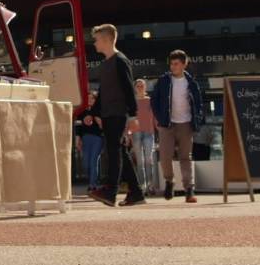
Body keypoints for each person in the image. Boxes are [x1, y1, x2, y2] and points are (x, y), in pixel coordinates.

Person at [86, 24, 145, 208]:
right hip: (108, 114)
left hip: (118, 114)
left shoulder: (120, 61)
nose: (94, 43)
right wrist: (93, 113)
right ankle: (136, 192)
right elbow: (103, 92)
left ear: (106, 40)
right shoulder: (106, 64)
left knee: (113, 152)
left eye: (96, 40)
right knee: (120, 152)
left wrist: (133, 116)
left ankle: (110, 192)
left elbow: (128, 88)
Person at [151, 49, 203, 202]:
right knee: (165, 156)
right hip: (167, 124)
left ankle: (189, 190)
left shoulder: (191, 82)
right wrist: (159, 117)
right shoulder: (163, 80)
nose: (172, 66)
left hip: (186, 124)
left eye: (176, 64)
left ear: (184, 64)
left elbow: (199, 103)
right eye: (171, 64)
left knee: (185, 157)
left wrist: (196, 119)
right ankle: (169, 181)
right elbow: (154, 100)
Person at [132, 78, 158, 196]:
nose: (140, 88)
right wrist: (127, 133)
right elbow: (129, 118)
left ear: (145, 87)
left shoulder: (150, 101)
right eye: (138, 86)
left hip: (149, 132)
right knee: (140, 161)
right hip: (136, 132)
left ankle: (150, 186)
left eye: (142, 85)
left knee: (149, 160)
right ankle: (142, 187)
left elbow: (155, 117)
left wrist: (160, 129)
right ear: (135, 88)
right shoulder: (132, 101)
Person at [75, 91, 105, 188]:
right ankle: (93, 181)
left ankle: (93, 185)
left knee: (93, 162)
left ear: (96, 100)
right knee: (86, 164)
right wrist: (77, 139)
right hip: (85, 139)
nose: (90, 100)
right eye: (88, 98)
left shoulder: (100, 111)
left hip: (97, 139)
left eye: (92, 98)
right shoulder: (82, 112)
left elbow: (103, 126)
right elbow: (78, 127)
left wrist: (98, 120)